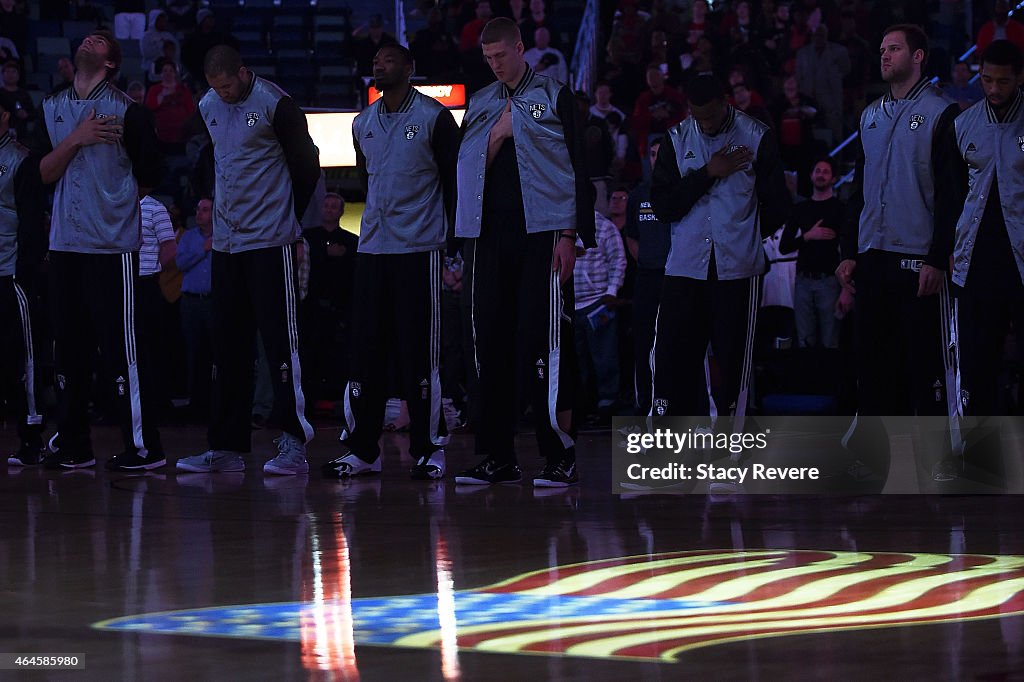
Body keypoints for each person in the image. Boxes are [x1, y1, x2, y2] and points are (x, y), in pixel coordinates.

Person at [454, 17, 595, 487]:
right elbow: (466, 167)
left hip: (544, 231)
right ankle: (498, 455)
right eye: (487, 59)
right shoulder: (479, 103)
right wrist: (498, 134)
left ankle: (560, 453)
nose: (494, 65)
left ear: (520, 47)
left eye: (501, 56)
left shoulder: (556, 95)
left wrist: (570, 234)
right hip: (489, 232)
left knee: (545, 342)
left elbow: (578, 163)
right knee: (488, 342)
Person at [175, 45, 320, 475]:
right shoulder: (208, 105)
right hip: (227, 243)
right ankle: (226, 447)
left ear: (243, 72)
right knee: (228, 347)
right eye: (215, 88)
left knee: (280, 344)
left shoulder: (276, 104)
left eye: (227, 85)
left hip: (270, 241)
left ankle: (294, 442)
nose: (222, 93)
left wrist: (285, 218)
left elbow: (307, 166)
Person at [320, 44, 457, 480]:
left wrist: (452, 246)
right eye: (376, 61)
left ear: (410, 68)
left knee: (419, 353)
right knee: (365, 351)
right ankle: (363, 449)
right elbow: (365, 177)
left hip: (420, 249)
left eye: (389, 60)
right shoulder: (362, 123)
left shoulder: (435, 118)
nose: (380, 65)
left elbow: (454, 183)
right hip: (374, 249)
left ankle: (429, 447)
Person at [38, 30, 166, 470]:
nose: (88, 43)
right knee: (68, 350)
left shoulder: (129, 113)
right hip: (65, 246)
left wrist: (114, 209)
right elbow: (41, 172)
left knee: (122, 351)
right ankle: (74, 444)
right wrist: (77, 138)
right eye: (86, 40)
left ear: (111, 63)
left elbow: (151, 173)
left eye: (98, 43)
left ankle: (144, 446)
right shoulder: (51, 107)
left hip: (111, 248)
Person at [836, 24, 961, 417]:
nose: (884, 56)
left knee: (926, 368)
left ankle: (938, 463)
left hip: (918, 260)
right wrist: (849, 251)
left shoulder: (943, 111)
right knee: (873, 369)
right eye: (882, 49)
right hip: (873, 257)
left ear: (918, 56)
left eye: (894, 48)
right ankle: (880, 465)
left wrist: (939, 257)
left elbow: (952, 194)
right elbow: (858, 189)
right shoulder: (870, 115)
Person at [650, 74, 790, 421]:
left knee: (733, 363)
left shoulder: (758, 137)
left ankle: (732, 450)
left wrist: (743, 236)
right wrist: (709, 172)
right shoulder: (676, 139)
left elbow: (778, 205)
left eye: (712, 115)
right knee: (672, 359)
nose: (707, 124)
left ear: (726, 101)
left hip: (738, 270)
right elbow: (664, 206)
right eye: (700, 117)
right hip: (684, 267)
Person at [945, 40, 1024, 416]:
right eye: (987, 79)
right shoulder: (964, 124)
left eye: (1003, 82)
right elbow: (953, 196)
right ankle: (981, 457)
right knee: (978, 365)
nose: (993, 89)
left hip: (1021, 260)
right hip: (976, 262)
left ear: (1020, 78)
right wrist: (950, 248)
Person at [0, 102, 45, 466]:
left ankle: (32, 436)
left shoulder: (21, 160)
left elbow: (32, 223)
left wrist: (25, 271)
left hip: (11, 274)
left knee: (24, 358)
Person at [780, 158, 849, 348]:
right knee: (804, 341)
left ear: (834, 178)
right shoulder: (800, 209)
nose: (820, 175)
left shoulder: (841, 209)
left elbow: (848, 249)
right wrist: (808, 236)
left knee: (830, 340)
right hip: (803, 282)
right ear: (811, 175)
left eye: (825, 172)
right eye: (817, 171)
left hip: (829, 282)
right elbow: (784, 246)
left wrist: (846, 288)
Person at [623, 141, 670, 415]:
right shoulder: (638, 195)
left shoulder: (680, 192)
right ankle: (645, 403)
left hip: (677, 278)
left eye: (661, 153)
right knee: (643, 341)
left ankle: (674, 402)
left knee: (677, 341)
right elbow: (631, 235)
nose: (656, 158)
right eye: (652, 153)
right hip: (647, 278)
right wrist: (646, 261)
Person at [301, 193, 358, 404]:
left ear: (342, 211)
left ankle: (336, 401)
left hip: (340, 309)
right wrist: (325, 254)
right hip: (312, 308)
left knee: (338, 356)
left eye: (334, 207)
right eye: (326, 206)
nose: (330, 210)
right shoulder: (308, 238)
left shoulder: (352, 241)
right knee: (311, 354)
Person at [573, 210, 626, 417]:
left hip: (596, 303)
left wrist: (612, 292)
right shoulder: (561, 226)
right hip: (567, 305)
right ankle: (581, 403)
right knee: (576, 360)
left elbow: (618, 260)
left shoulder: (605, 227)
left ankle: (608, 400)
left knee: (604, 356)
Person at [175, 196, 215, 422]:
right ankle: (196, 403)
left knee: (215, 353)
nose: (200, 213)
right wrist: (203, 249)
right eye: (198, 209)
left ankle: (214, 402)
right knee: (194, 352)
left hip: (213, 301)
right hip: (191, 301)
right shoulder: (190, 237)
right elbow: (181, 263)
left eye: (205, 210)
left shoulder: (222, 238)